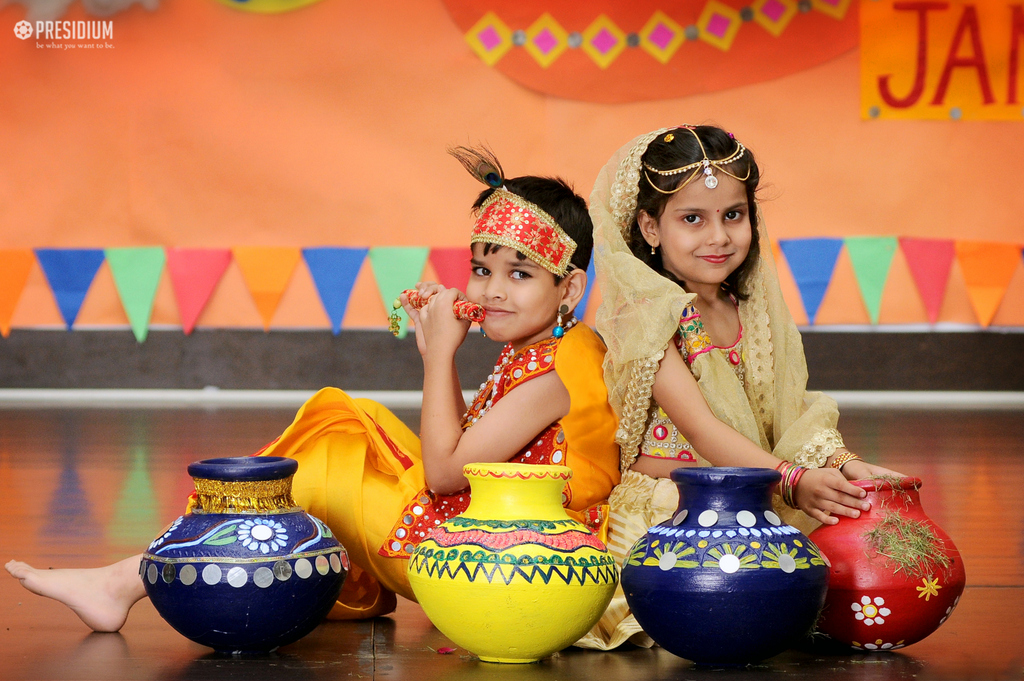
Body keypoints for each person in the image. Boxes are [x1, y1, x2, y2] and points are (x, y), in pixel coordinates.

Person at [6, 148, 620, 632]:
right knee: (345, 425)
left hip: (500, 560)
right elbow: (469, 449)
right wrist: (439, 357)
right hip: (485, 529)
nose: (490, 292)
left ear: (568, 291)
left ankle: (127, 581)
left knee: (327, 452)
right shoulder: (537, 353)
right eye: (483, 270)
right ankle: (138, 578)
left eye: (520, 275)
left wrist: (439, 360)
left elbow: (443, 473)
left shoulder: (555, 373)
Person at [573, 126, 904, 650]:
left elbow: (786, 413)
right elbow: (703, 430)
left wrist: (843, 464)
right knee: (719, 609)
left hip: (756, 494)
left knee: (853, 568)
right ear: (649, 227)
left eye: (733, 214)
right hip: (672, 511)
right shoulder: (648, 314)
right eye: (692, 219)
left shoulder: (746, 307)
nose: (719, 236)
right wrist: (794, 480)